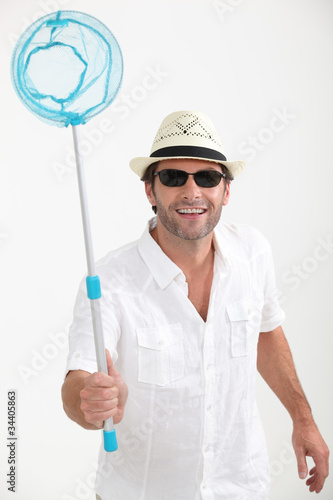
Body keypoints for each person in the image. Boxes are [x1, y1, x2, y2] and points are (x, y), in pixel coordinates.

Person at [61, 111, 329, 500]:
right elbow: (78, 380)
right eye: (173, 177)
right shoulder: (110, 282)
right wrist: (91, 399)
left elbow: (266, 334)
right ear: (150, 191)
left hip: (241, 488)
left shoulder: (254, 252)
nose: (192, 192)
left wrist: (303, 419)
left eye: (207, 177)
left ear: (226, 190)